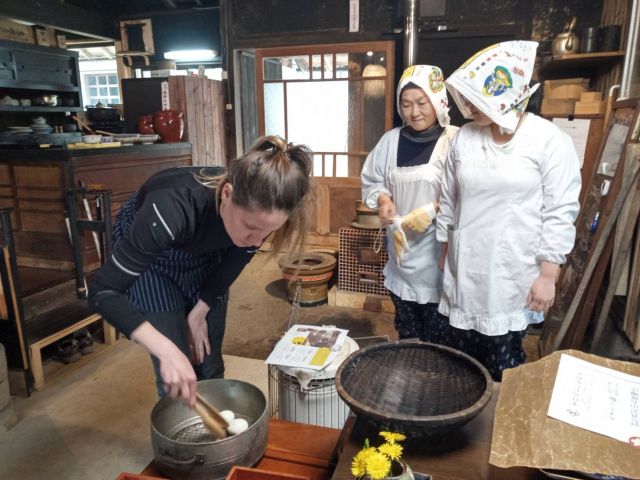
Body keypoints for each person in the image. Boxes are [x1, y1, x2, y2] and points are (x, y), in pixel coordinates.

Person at [88, 136, 312, 405]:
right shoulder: (171, 208)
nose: (256, 242)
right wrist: (167, 351)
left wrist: (200, 310)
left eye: (267, 233)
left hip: (207, 249)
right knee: (177, 368)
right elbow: (103, 291)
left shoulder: (255, 216)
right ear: (227, 194)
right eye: (251, 228)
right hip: (155, 261)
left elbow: (236, 258)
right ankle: (183, 441)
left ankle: (220, 443)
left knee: (209, 361)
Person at [437, 41, 582, 380]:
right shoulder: (464, 138)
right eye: (467, 97)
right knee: (460, 363)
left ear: (504, 90)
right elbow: (450, 196)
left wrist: (548, 275)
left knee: (502, 366)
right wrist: (444, 250)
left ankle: (496, 429)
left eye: (478, 96)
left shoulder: (548, 140)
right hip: (465, 269)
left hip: (512, 272)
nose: (469, 105)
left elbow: (560, 209)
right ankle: (463, 427)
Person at [361, 65, 458, 343]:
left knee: (440, 338)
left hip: (440, 256)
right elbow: (373, 180)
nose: (413, 112)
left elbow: (469, 190)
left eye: (421, 103)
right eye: (406, 104)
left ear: (438, 100)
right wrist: (383, 199)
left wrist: (442, 207)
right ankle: (409, 380)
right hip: (402, 255)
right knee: (407, 333)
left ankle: (436, 383)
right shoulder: (390, 141)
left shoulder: (455, 139)